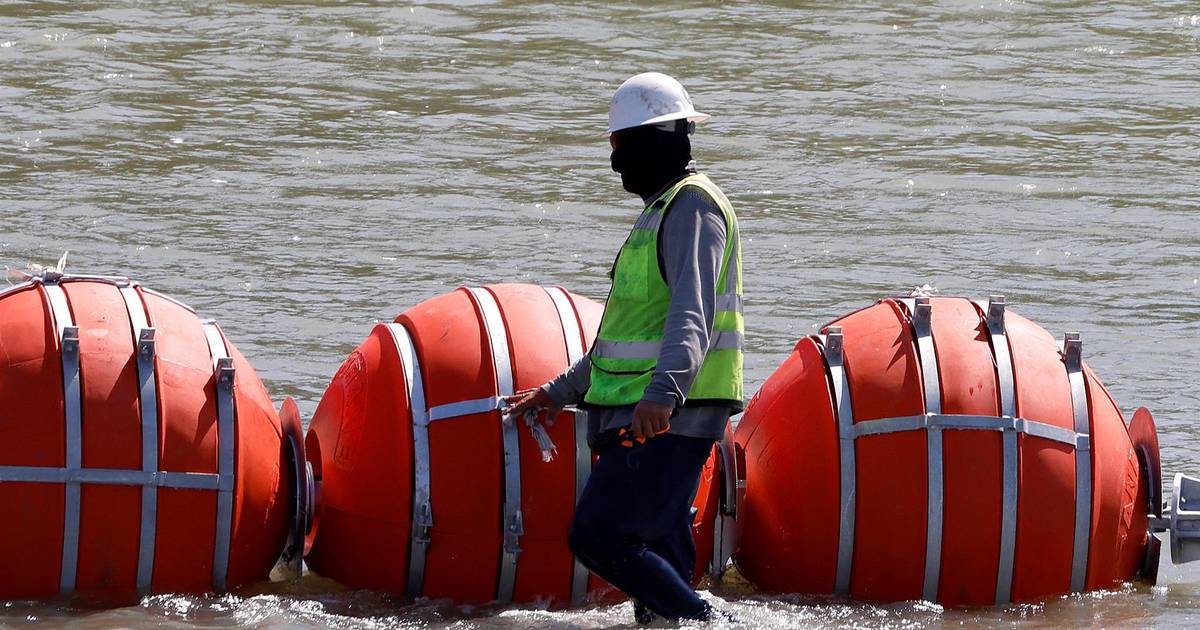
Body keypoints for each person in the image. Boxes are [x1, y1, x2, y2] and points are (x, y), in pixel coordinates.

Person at [505, 72, 743, 623]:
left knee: (598, 534)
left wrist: (664, 395)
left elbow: (694, 310)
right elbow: (621, 341)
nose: (615, 163)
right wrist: (557, 392)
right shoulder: (658, 212)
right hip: (640, 410)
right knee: (657, 553)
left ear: (656, 140)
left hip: (668, 414)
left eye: (621, 146)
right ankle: (677, 620)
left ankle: (712, 624)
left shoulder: (693, 206)